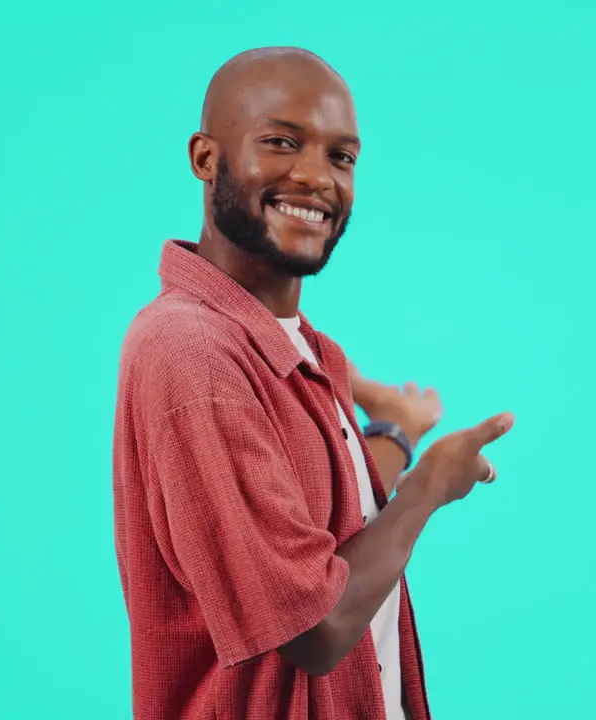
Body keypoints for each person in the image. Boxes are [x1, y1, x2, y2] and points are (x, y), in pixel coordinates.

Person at [112, 46, 515, 720]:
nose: (315, 178)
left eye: (341, 156)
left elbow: (325, 537)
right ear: (205, 159)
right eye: (281, 143)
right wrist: (428, 489)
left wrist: (393, 432)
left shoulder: (306, 350)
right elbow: (314, 628)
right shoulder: (195, 356)